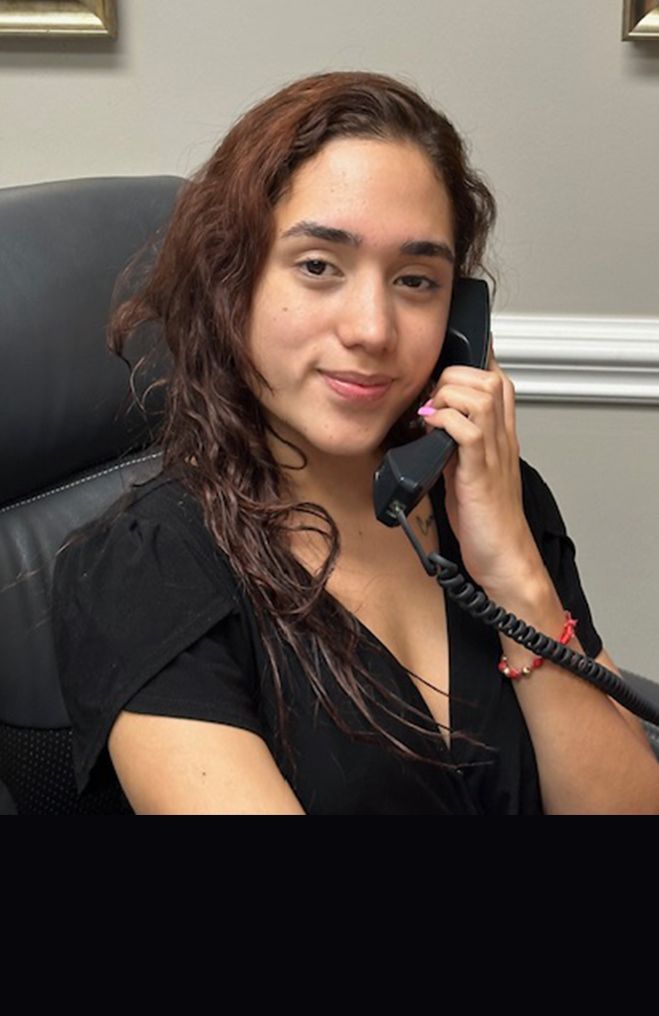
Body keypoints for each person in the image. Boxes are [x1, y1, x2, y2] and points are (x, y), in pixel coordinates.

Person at [52, 71, 659, 815]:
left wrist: (513, 574)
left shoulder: (497, 499)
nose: (372, 329)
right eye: (317, 267)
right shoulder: (146, 568)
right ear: (229, 282)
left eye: (415, 280)